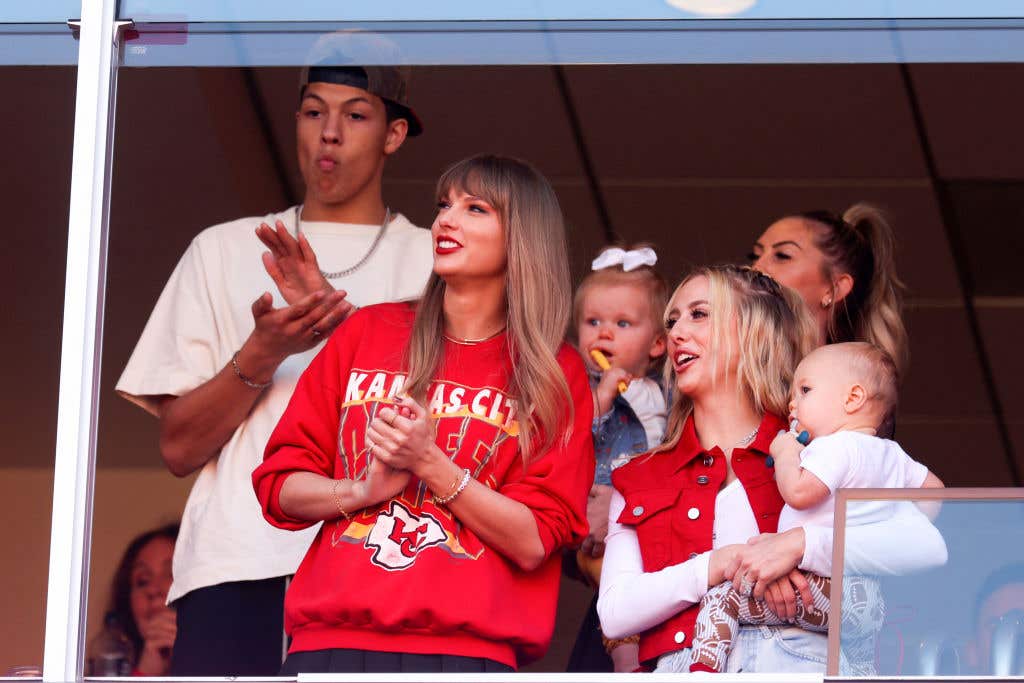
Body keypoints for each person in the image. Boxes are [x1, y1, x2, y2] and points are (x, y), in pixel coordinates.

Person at [115, 62, 433, 675]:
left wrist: (345, 332)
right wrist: (262, 352)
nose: (330, 133)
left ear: (393, 135)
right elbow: (179, 449)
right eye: (314, 112)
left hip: (385, 564)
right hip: (236, 561)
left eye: (356, 115)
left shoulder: (432, 258)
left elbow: (460, 425)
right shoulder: (222, 248)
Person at [252, 154, 595, 673]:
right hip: (329, 642)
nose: (444, 221)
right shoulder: (367, 332)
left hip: (465, 654)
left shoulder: (555, 369)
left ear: (523, 237)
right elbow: (279, 486)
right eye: (443, 205)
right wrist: (364, 491)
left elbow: (534, 541)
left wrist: (430, 464)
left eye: (474, 208)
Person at [597, 265, 946, 674]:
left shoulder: (823, 452)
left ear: (754, 331)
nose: (675, 332)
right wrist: (720, 563)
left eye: (699, 314)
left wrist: (801, 544)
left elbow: (921, 540)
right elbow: (616, 612)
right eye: (672, 320)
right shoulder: (639, 475)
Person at [688, 341, 944, 673]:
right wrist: (892, 518)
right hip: (866, 597)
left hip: (820, 585)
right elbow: (935, 493)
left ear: (852, 399)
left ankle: (702, 673)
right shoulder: (892, 454)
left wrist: (784, 453)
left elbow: (799, 491)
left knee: (722, 598)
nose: (792, 402)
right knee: (860, 664)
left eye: (805, 389)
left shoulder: (834, 447)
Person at [567, 245, 669, 673]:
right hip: (590, 514)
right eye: (593, 322)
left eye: (622, 323)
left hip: (640, 515)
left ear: (659, 343)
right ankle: (624, 660)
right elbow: (566, 442)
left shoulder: (665, 392)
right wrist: (601, 397)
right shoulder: (577, 390)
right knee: (610, 579)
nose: (604, 334)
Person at [748, 203, 907, 376]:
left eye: (782, 255)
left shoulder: (846, 391)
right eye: (755, 256)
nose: (756, 267)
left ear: (834, 288)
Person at [95, 523, 179, 676]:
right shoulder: (106, 667)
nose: (153, 590)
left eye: (171, 574)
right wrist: (145, 672)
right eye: (143, 581)